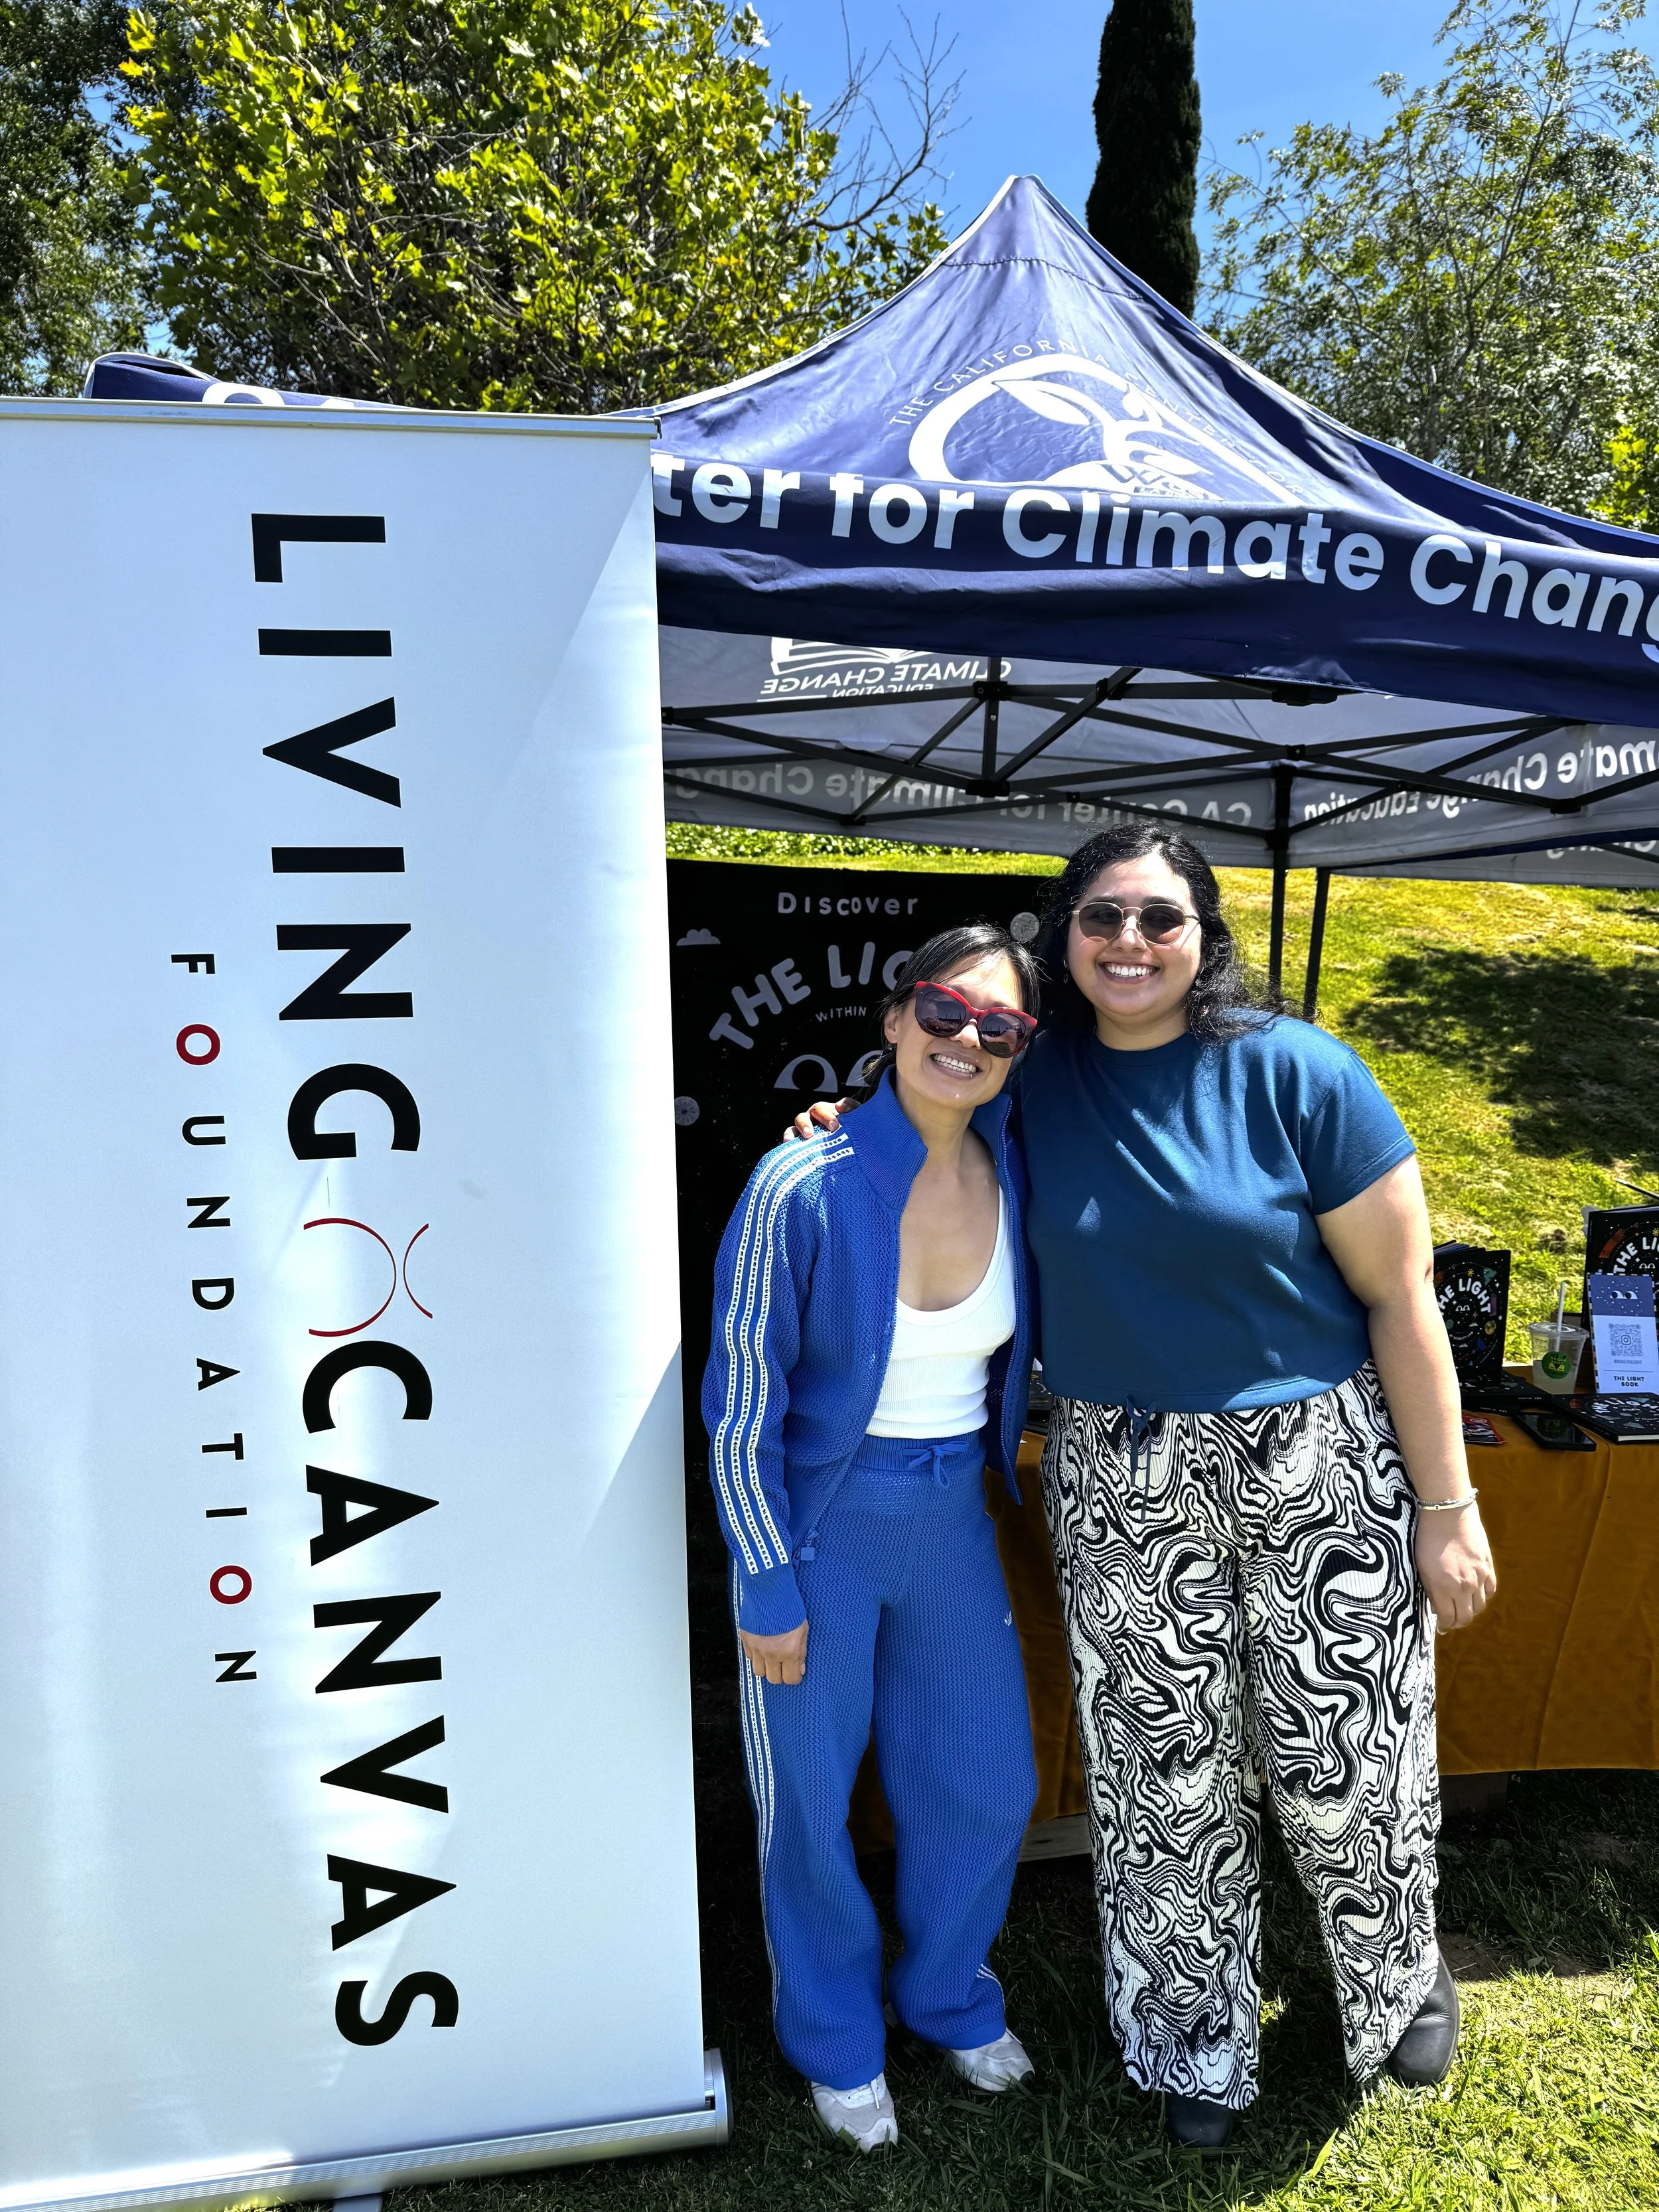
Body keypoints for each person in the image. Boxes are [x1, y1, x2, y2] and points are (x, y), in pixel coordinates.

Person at [789, 827, 1496, 2154]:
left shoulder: (1297, 1073)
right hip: (1119, 1469)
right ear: (1062, 938)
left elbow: (1402, 1300)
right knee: (1159, 1771)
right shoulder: (1024, 1077)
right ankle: (1189, 2036)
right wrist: (839, 1128)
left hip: (1317, 1460)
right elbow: (917, 1119)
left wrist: (1447, 1507)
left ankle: (1394, 1975)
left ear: (1201, 936)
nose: (1128, 940)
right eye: (1101, 916)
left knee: (1345, 1749)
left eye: (1158, 919)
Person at [704, 923, 1043, 2154]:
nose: (968, 1041)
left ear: (1020, 1054)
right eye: (947, 1014)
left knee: (988, 1781)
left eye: (999, 1028)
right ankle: (836, 2038)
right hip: (822, 1526)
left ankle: (948, 1996)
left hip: (955, 1516)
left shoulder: (1024, 1168)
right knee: (807, 1802)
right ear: (897, 1018)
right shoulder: (802, 1182)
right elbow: (741, 1399)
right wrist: (767, 1577)